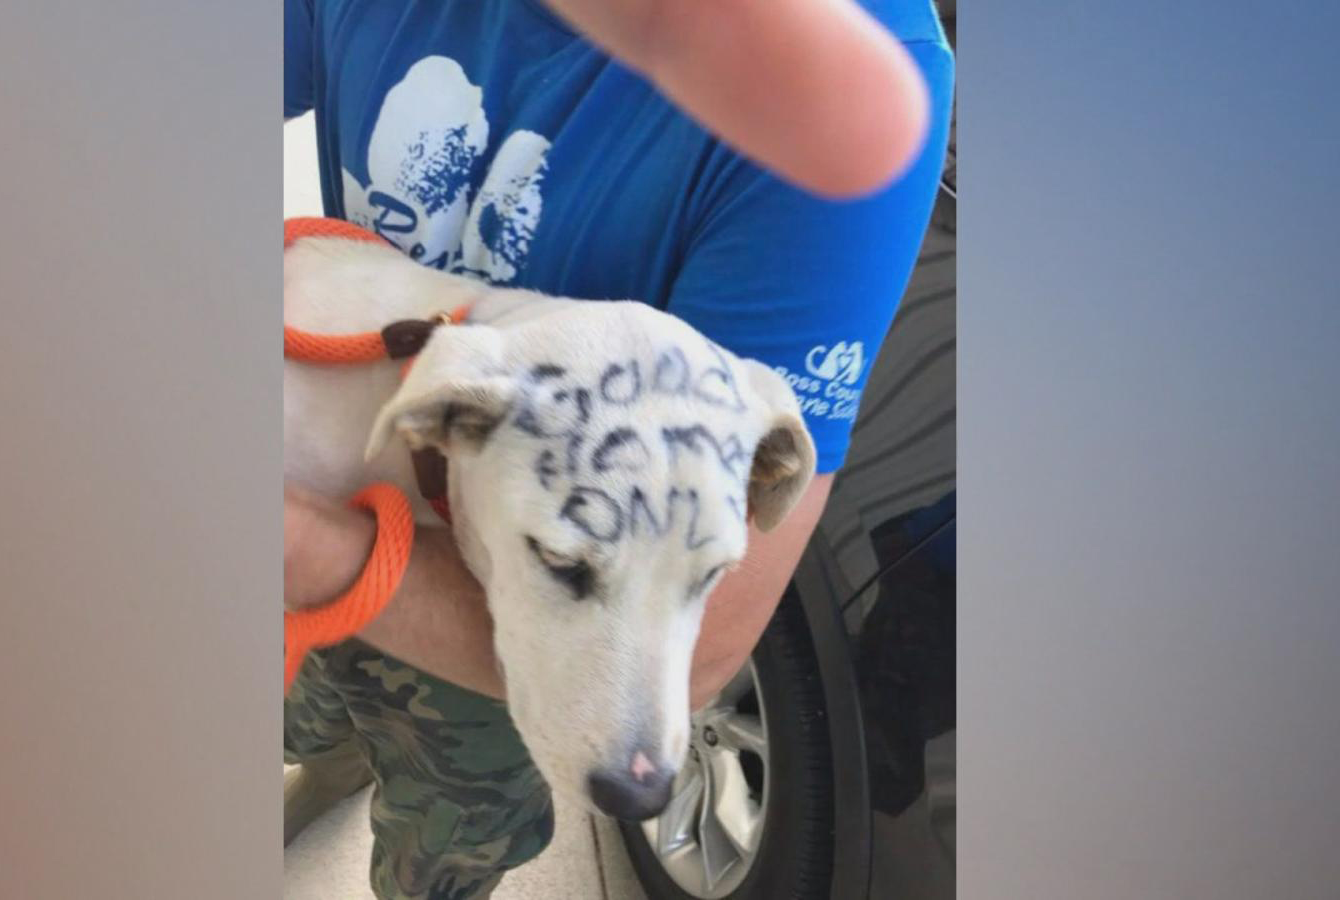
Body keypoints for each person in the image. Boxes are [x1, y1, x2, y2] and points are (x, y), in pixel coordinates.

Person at [283, 0, 954, 896]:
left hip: (462, 606)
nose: (652, 763)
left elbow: (711, 648)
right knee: (317, 707)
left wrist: (301, 549)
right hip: (341, 454)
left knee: (444, 846)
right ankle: (332, 758)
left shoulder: (849, 76)